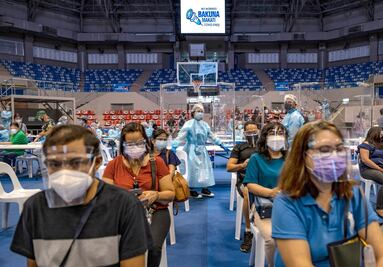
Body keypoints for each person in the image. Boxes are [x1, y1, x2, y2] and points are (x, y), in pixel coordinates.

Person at [10, 125, 152, 267]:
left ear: (96, 162)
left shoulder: (125, 206)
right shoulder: (35, 207)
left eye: (76, 162)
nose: (64, 171)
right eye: (54, 163)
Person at [272, 120, 383, 267]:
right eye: (324, 150)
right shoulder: (287, 202)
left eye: (339, 148)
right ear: (303, 156)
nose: (334, 156)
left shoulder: (353, 194)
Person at [102, 122, 175, 267]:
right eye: (130, 144)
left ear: (146, 142)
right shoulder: (114, 165)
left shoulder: (157, 163)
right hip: (123, 214)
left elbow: (171, 193)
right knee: (112, 246)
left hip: (155, 212)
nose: (135, 147)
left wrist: (156, 195)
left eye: (139, 142)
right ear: (123, 145)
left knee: (153, 247)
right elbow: (105, 196)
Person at [243, 122, 287, 266]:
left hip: (290, 206)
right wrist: (272, 193)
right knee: (272, 239)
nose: (277, 137)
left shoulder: (291, 159)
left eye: (280, 133)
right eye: (272, 133)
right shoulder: (256, 159)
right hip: (265, 209)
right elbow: (250, 185)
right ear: (265, 137)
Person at [172, 103, 229, 198]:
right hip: (191, 150)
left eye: (202, 111)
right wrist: (174, 146)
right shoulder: (189, 124)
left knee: (204, 169)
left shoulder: (205, 125)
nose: (200, 113)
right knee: (192, 169)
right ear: (193, 113)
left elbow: (212, 136)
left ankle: (204, 188)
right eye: (198, 111)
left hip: (202, 150)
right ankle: (191, 189)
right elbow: (181, 136)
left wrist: (221, 144)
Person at [227, 121, 259, 253]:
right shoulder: (239, 147)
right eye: (249, 132)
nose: (252, 134)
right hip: (245, 179)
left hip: (262, 178)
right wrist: (242, 165)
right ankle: (248, 231)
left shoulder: (264, 147)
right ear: (245, 133)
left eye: (255, 131)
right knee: (248, 191)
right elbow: (229, 167)